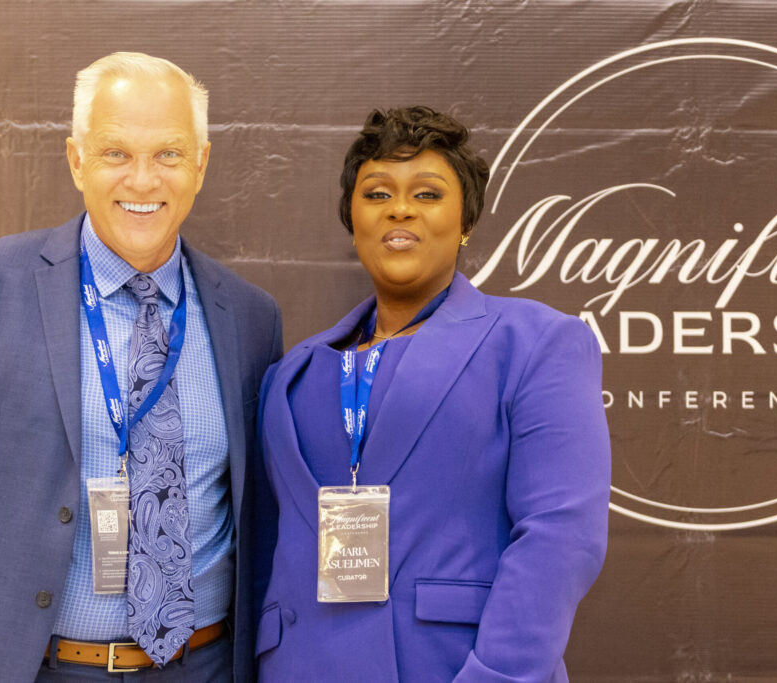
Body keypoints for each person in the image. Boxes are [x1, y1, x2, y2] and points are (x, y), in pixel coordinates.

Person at [0, 52, 282, 682]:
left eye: (169, 155)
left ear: (200, 165)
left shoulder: (251, 319)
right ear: (77, 161)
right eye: (116, 153)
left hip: (198, 666)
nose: (144, 180)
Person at [253, 107, 610, 681]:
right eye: (376, 193)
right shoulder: (292, 373)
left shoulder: (537, 343)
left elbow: (562, 535)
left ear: (465, 220)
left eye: (427, 193)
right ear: (352, 216)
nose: (400, 208)